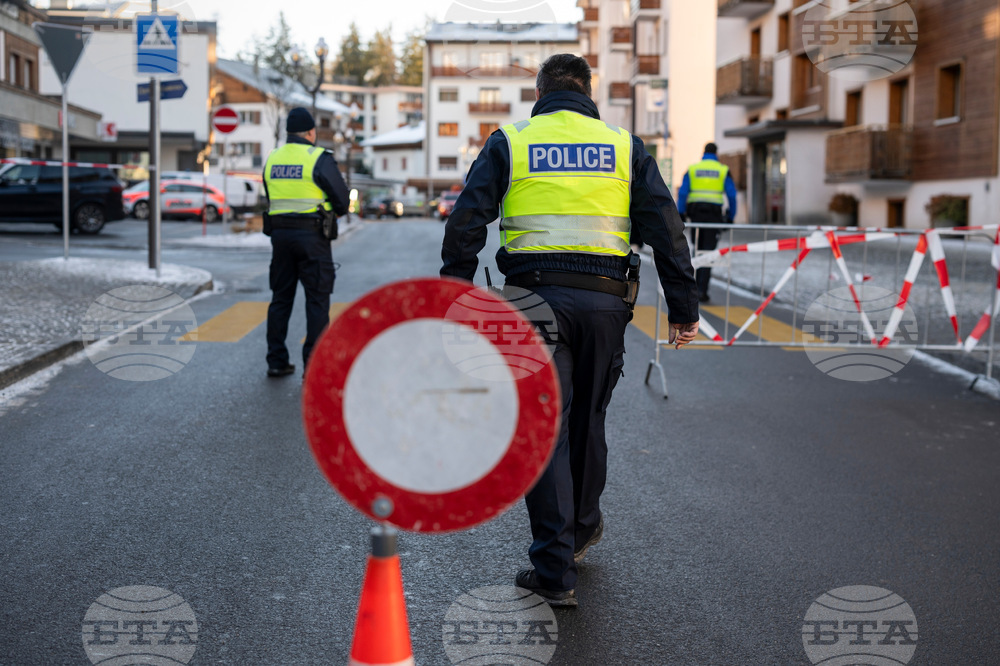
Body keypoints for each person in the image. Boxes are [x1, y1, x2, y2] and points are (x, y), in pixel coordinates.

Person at [441, 54, 700, 607]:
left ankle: (555, 571)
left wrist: (454, 292)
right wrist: (683, 307)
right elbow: (666, 227)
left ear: (540, 93)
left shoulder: (512, 141)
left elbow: (466, 221)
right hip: (606, 301)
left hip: (532, 301)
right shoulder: (624, 146)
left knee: (545, 427)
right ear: (588, 93)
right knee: (588, 419)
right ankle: (579, 533)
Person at [262, 107, 350, 378]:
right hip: (313, 237)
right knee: (317, 300)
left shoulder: (273, 158)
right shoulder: (318, 158)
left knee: (280, 298)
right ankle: (313, 366)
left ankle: (276, 360)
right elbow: (342, 201)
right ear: (311, 132)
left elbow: (270, 196)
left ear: (289, 132)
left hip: (280, 237)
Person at [677, 142, 738, 302]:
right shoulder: (723, 170)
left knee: (696, 250)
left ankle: (692, 290)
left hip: (696, 215)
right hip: (714, 216)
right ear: (716, 154)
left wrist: (681, 214)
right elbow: (732, 195)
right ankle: (702, 291)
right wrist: (730, 217)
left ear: (703, 153)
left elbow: (682, 193)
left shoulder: (693, 169)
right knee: (709, 253)